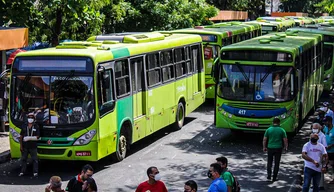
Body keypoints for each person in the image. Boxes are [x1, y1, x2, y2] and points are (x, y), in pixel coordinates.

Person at [263, 118, 288, 182]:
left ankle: (269, 175)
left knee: (269, 162)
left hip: (270, 147)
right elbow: (285, 140)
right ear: (279, 122)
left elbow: (265, 139)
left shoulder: (268, 130)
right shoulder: (282, 130)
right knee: (277, 163)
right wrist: (286, 147)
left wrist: (264, 147)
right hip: (278, 148)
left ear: (273, 122)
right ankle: (274, 177)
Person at [19, 112, 40, 177]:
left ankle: (35, 172)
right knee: (23, 159)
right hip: (25, 146)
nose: (30, 119)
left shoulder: (36, 126)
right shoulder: (24, 126)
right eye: (29, 117)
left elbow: (38, 137)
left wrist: (29, 138)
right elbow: (21, 136)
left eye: (32, 118)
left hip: (33, 146)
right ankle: (22, 171)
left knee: (35, 160)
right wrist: (21, 146)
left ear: (34, 119)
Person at [311, 123, 328, 189]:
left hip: (320, 155)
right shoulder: (312, 135)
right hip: (313, 155)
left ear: (319, 128)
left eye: (316, 128)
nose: (314, 129)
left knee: (320, 170)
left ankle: (320, 185)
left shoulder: (322, 136)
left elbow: (325, 146)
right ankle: (314, 184)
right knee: (312, 169)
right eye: (313, 128)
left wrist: (324, 156)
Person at [323, 116, 334, 184]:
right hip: (325, 151)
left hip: (332, 151)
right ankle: (322, 180)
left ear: (329, 121)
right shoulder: (325, 128)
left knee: (333, 165)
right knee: (324, 164)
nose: (325, 123)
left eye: (326, 121)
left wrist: (331, 145)